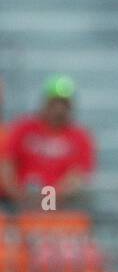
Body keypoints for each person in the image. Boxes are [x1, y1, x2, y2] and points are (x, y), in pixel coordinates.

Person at [0, 75, 95, 207]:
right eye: (54, 103)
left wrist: (50, 199)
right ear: (45, 102)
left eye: (64, 103)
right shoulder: (23, 129)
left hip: (61, 206)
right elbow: (6, 163)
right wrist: (18, 196)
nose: (59, 109)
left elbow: (78, 176)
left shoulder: (80, 137)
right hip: (17, 203)